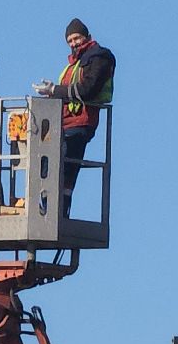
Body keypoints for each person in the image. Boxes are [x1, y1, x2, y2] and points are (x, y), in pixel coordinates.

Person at [31, 17, 115, 210]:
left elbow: (87, 89)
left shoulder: (99, 57)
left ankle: (57, 213)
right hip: (63, 123)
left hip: (81, 123)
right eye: (69, 41)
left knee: (65, 171)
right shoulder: (74, 64)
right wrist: (50, 95)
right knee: (47, 165)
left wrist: (55, 90)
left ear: (88, 36)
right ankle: (48, 208)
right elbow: (69, 92)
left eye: (77, 38)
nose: (73, 43)